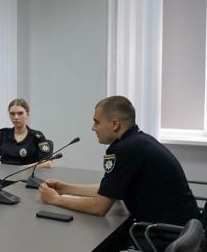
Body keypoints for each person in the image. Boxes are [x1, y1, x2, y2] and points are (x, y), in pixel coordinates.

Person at [39, 95, 199, 224]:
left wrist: (56, 199)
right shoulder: (139, 141)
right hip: (185, 232)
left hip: (165, 237)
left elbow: (98, 208)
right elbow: (109, 189)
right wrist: (66, 188)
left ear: (115, 124)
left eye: (96, 122)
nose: (93, 128)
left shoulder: (124, 149)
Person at [0, 98, 53, 166]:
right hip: (4, 172)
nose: (16, 117)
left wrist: (23, 168)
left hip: (27, 172)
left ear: (27, 113)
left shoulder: (37, 136)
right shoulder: (4, 134)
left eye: (20, 113)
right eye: (12, 114)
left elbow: (47, 163)